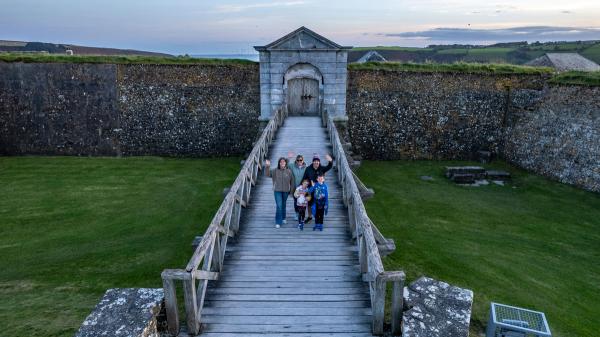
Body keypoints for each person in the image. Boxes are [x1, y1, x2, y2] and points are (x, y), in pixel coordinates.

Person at [302, 154, 333, 223]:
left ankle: (319, 216)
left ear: (319, 162)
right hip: (310, 188)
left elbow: (329, 166)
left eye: (317, 161)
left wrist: (330, 161)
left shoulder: (322, 168)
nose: (316, 162)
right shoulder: (308, 169)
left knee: (319, 204)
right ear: (313, 162)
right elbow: (304, 178)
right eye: (315, 161)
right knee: (309, 203)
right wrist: (302, 187)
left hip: (320, 190)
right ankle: (309, 216)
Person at [265, 157, 294, 228]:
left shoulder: (289, 171)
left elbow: (292, 182)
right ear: (279, 163)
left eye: (284, 162)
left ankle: (283, 217)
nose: (282, 163)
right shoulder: (275, 170)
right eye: (281, 162)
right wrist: (267, 166)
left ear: (286, 163)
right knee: (279, 205)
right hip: (277, 191)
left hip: (286, 191)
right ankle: (278, 221)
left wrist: (291, 191)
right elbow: (267, 174)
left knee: (283, 205)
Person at [288, 152, 307, 221]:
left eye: (301, 160)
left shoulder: (306, 167)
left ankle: (302, 214)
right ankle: (297, 213)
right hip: (295, 188)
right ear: (296, 160)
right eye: (298, 160)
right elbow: (286, 164)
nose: (299, 161)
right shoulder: (292, 166)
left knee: (302, 201)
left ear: (303, 160)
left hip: (303, 188)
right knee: (296, 201)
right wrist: (289, 158)